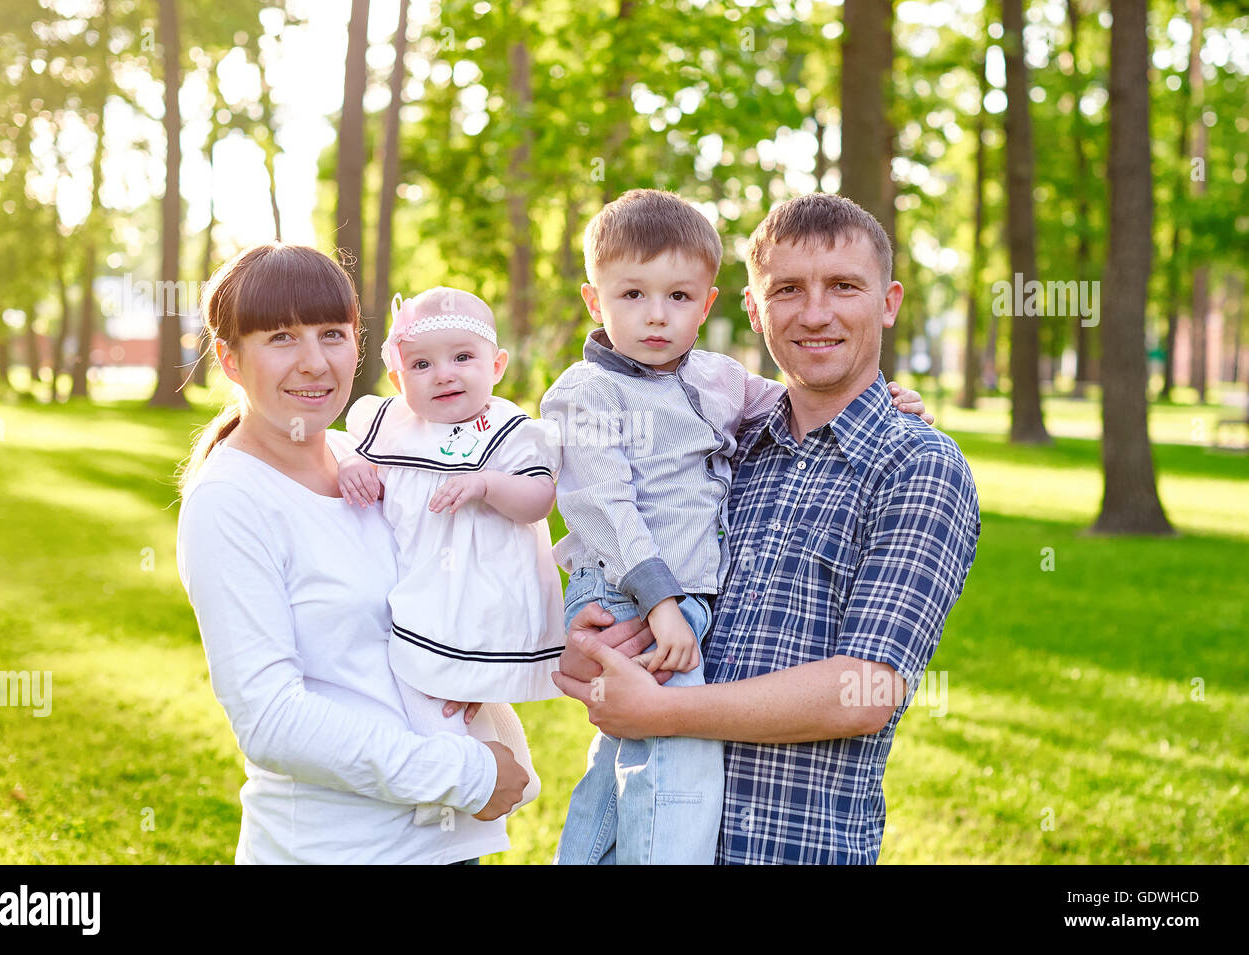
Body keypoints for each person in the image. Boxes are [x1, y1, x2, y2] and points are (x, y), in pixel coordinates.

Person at [553, 192, 981, 865]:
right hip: (636, 834)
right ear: (753, 310)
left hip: (785, 847)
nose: (815, 313)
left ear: (889, 302)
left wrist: (662, 712)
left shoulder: (917, 464)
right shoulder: (725, 437)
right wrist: (594, 641)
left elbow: (864, 691)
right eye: (787, 290)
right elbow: (610, 522)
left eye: (844, 286)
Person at [176, 245, 527, 864]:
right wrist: (465, 774)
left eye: (333, 334)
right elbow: (271, 719)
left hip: (450, 843)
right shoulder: (229, 501)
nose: (315, 363)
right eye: (281, 337)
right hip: (337, 848)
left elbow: (465, 573)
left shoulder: (378, 457)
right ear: (229, 358)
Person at [334, 286, 565, 826]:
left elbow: (538, 501)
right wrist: (351, 466)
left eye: (463, 357)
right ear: (398, 378)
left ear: (497, 365)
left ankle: (460, 786)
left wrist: (486, 484)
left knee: (453, 686)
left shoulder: (508, 430)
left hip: (480, 592)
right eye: (421, 363)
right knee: (431, 682)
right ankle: (497, 770)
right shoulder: (392, 426)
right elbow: (342, 450)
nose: (443, 374)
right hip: (419, 587)